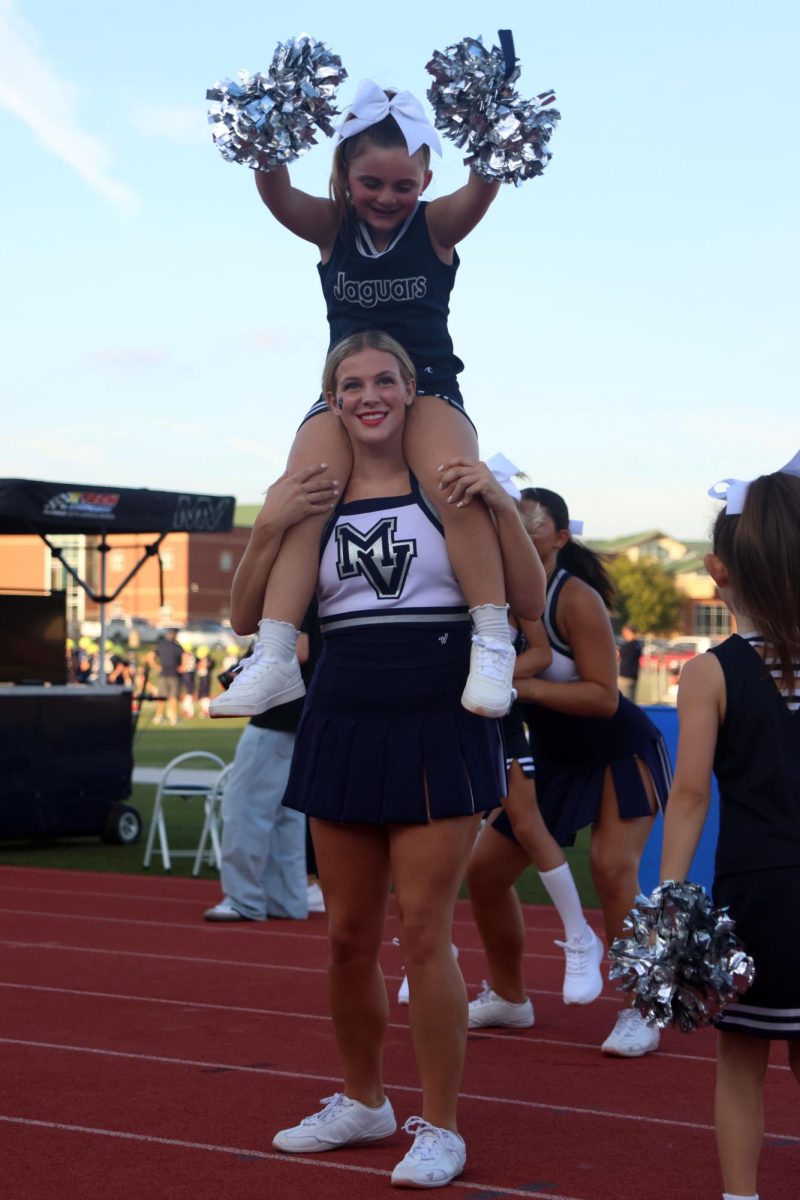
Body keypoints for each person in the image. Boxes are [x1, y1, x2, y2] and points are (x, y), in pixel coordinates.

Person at [261, 331, 545, 1188]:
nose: (370, 395)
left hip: (437, 712)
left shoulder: (448, 488)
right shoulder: (318, 493)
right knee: (347, 937)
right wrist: (271, 514)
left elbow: (529, 604)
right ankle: (362, 1101)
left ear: (414, 391)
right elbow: (251, 609)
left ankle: (443, 1125)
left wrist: (498, 501)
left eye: (385, 380)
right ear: (332, 400)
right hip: (343, 712)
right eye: (351, 384)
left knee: (424, 931)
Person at [210, 78, 544, 723]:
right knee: (305, 493)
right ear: (343, 176)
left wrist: (493, 128)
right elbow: (275, 191)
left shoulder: (438, 224)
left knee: (456, 486)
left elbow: (482, 187)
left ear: (423, 182)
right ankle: (276, 654)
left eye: (403, 186)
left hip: (427, 385)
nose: (387, 198)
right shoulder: (331, 227)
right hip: (347, 387)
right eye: (371, 183)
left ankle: (492, 640)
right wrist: (269, 128)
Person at [465, 487, 673, 1056]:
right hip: (551, 757)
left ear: (559, 539)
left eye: (532, 529)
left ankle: (643, 1006)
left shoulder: (573, 597)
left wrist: (515, 687)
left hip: (617, 748)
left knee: (612, 871)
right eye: (510, 525)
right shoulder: (487, 594)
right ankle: (509, 997)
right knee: (483, 875)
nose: (518, 536)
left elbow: (605, 698)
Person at [659, 456, 800, 1200]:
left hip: (757, 896)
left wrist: (669, 905)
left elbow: (689, 796)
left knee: (742, 1062)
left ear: (720, 571)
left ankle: (741, 1197)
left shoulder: (711, 672)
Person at [203, 611, 323, 923]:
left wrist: (247, 670)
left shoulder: (293, 587)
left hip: (276, 714)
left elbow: (298, 650)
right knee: (287, 816)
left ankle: (244, 898)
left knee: (243, 808)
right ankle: (286, 899)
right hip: (305, 714)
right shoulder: (319, 585)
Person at [149, 628, 183, 726]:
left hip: (163, 674)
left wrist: (155, 666)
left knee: (162, 697)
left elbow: (150, 655)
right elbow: (185, 657)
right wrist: (182, 667)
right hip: (174, 675)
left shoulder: (161, 646)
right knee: (173, 697)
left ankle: (159, 716)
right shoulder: (177, 647)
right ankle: (174, 717)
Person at [618, 623, 642, 701]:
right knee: (631, 700)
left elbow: (617, 656)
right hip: (633, 677)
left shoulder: (627, 646)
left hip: (625, 677)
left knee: (624, 702)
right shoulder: (637, 645)